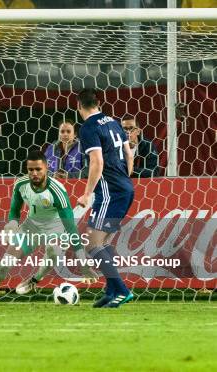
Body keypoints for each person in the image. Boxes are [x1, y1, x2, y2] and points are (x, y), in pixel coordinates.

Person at [0, 151, 97, 305]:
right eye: (31, 170)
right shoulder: (21, 184)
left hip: (56, 227)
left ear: (46, 168)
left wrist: (83, 262)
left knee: (53, 249)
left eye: (38, 169)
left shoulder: (57, 191)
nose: (34, 173)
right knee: (5, 263)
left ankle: (35, 279)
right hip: (32, 226)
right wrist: (13, 223)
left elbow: (70, 228)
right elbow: (15, 210)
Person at [76, 88, 135, 308]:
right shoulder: (114, 122)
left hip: (109, 191)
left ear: (79, 106)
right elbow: (129, 155)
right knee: (104, 243)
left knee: (93, 245)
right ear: (98, 103)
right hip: (124, 188)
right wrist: (123, 179)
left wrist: (87, 193)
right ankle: (111, 292)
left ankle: (122, 291)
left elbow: (97, 162)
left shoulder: (88, 127)